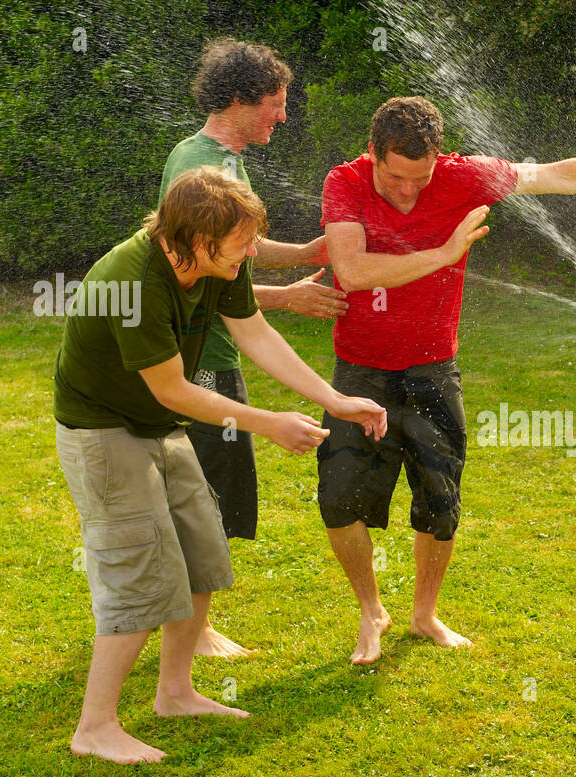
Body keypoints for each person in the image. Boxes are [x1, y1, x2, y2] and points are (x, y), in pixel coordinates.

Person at [320, 96, 576, 664]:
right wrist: (445, 251)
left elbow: (559, 176)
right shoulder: (345, 183)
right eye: (397, 178)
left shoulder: (463, 177)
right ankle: (370, 610)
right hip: (360, 368)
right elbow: (351, 271)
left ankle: (424, 614)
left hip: (432, 367)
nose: (409, 191)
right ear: (373, 153)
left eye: (421, 179)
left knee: (439, 498)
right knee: (341, 499)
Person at [54, 166, 387, 764]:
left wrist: (332, 401)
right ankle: (95, 727)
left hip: (157, 426)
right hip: (103, 431)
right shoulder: (132, 282)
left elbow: (255, 333)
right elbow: (174, 391)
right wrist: (270, 423)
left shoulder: (218, 265)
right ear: (197, 244)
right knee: (140, 572)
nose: (254, 251)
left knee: (202, 552)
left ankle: (175, 692)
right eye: (244, 244)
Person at [161, 38, 348, 657]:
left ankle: (191, 622)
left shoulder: (221, 161)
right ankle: (194, 630)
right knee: (207, 489)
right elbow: (196, 269)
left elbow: (235, 243)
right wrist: (284, 298)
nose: (283, 116)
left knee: (212, 486)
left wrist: (303, 254)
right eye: (275, 102)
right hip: (203, 359)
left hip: (213, 353)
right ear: (240, 98)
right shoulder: (202, 166)